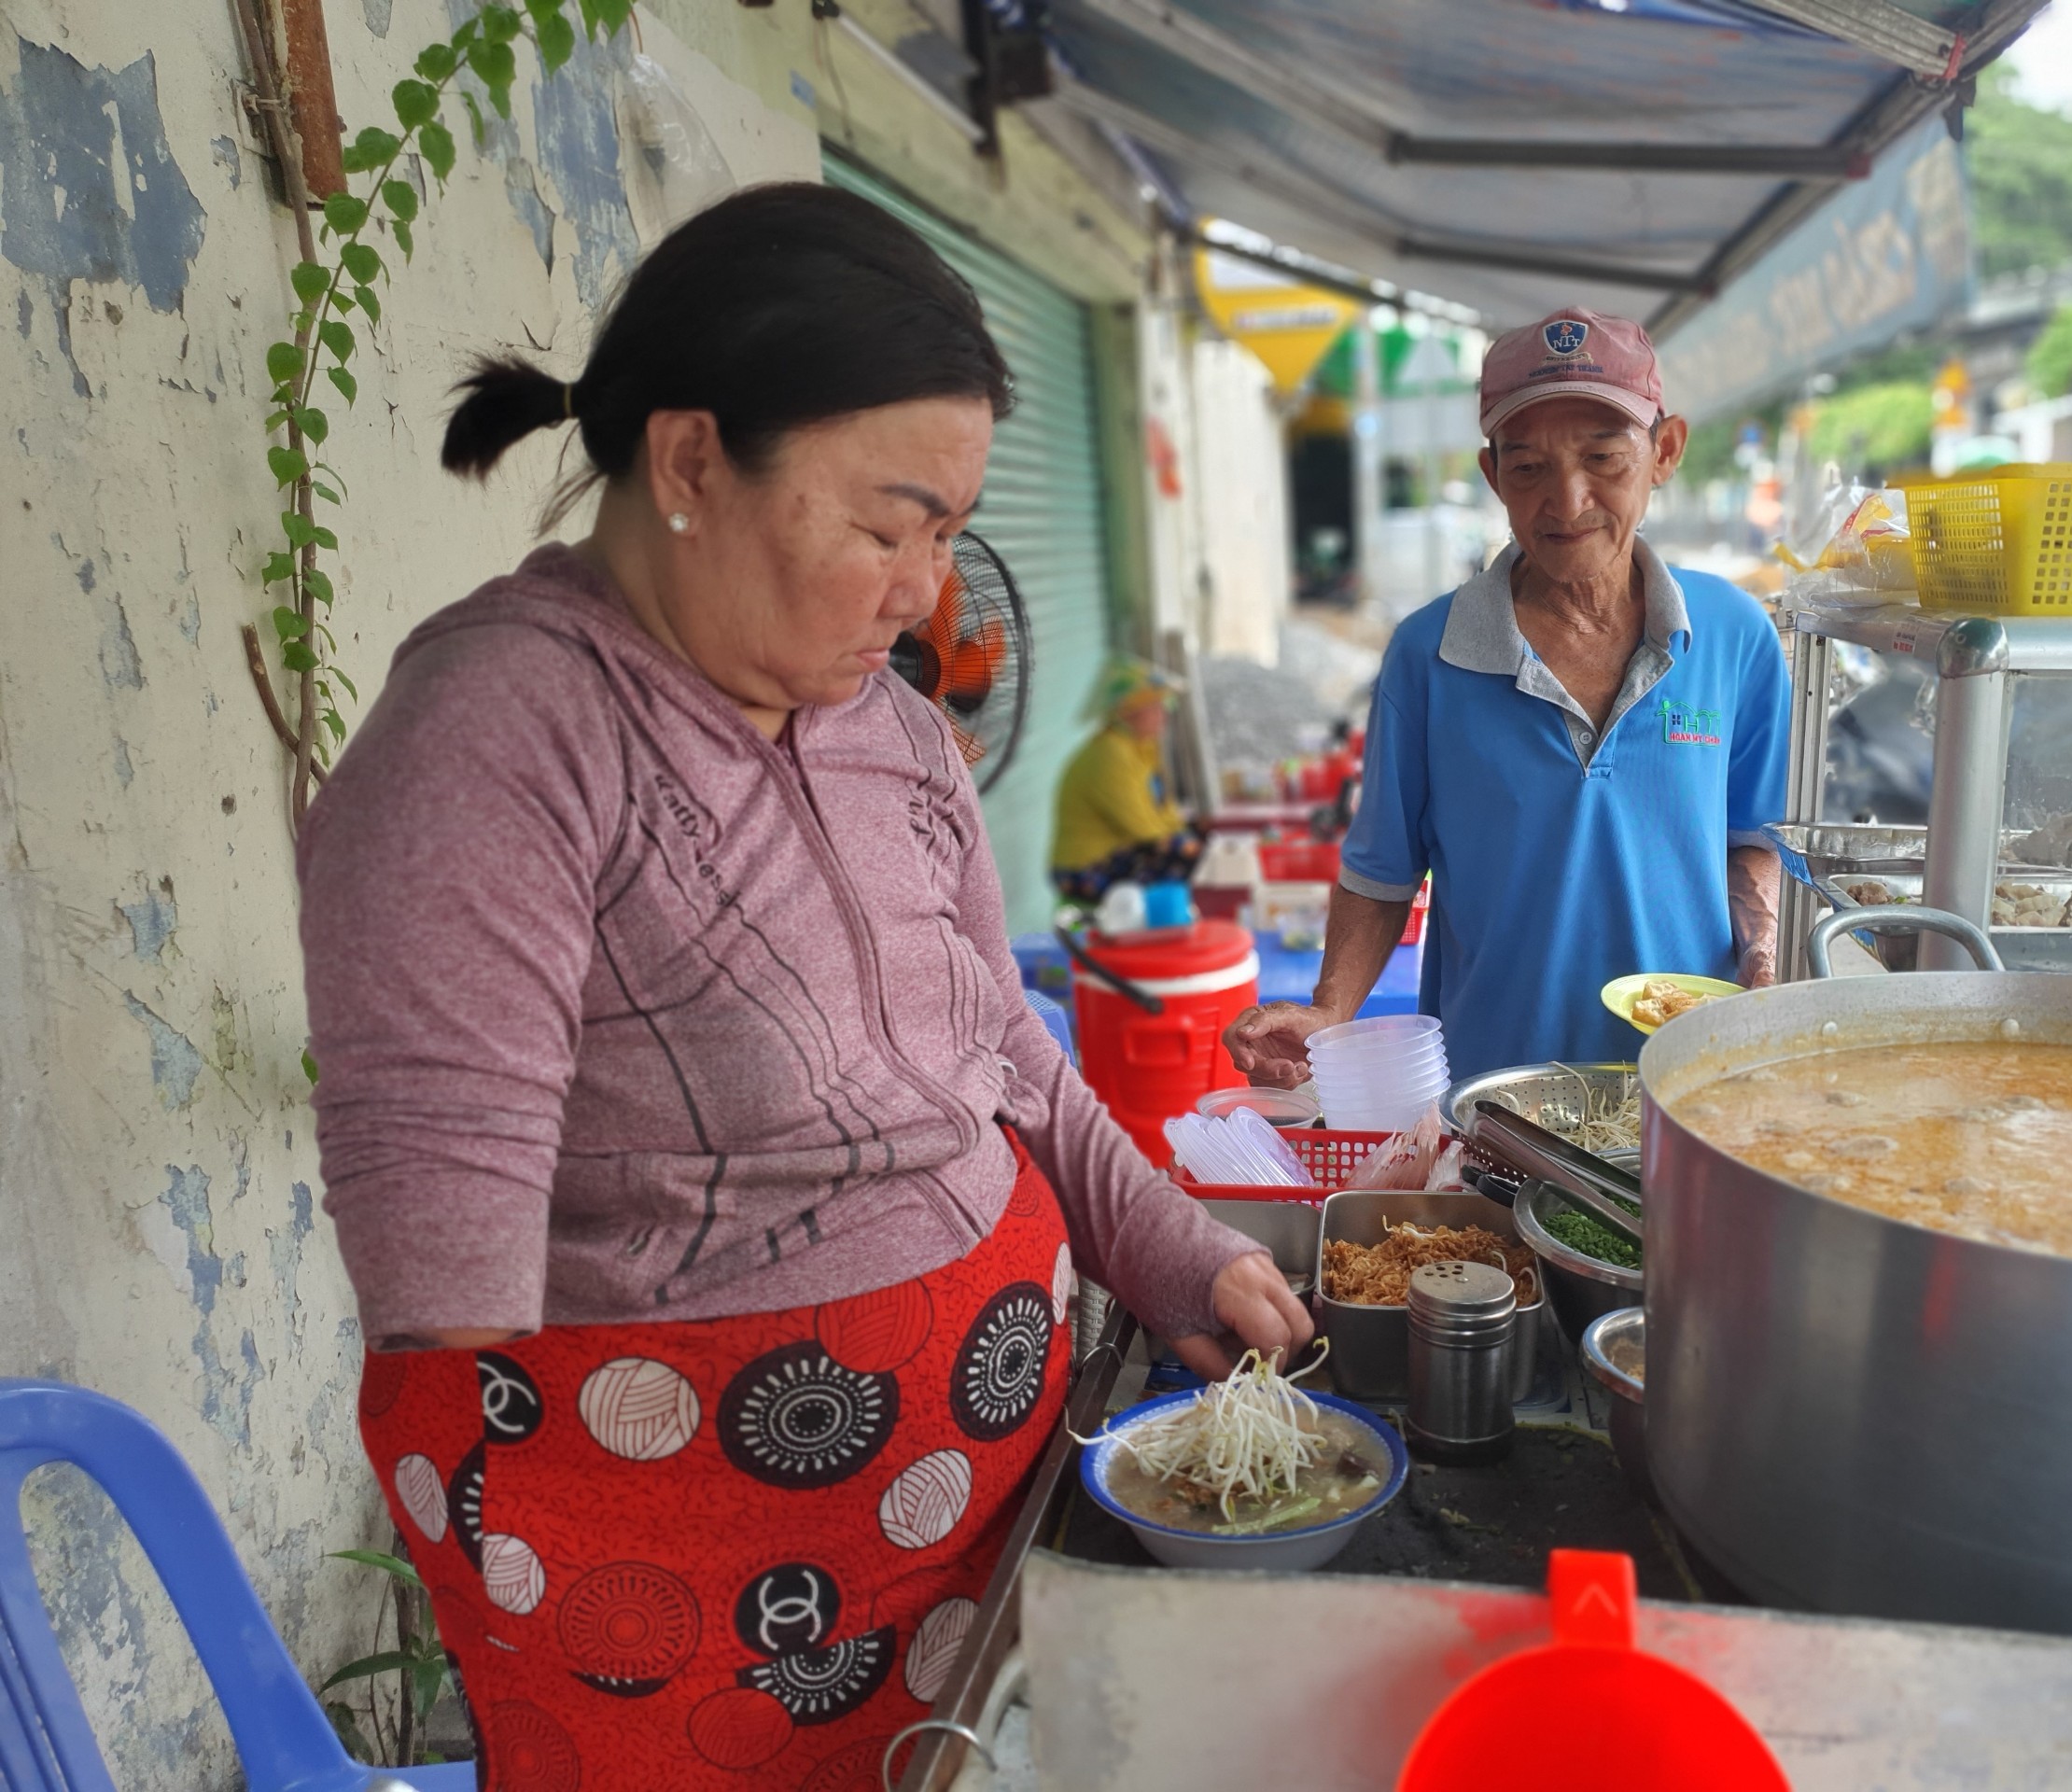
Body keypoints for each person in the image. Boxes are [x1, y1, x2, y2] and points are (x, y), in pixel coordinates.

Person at [298, 184, 1308, 1788]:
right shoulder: (499, 740)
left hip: (996, 1510)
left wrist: (1170, 1248)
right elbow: (453, 1325)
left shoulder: (894, 731)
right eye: (886, 525)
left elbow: (1007, 1057)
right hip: (702, 1613)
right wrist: (655, 1569)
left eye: (951, 534)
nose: (924, 595)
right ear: (692, 462)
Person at [1227, 306, 1791, 1085]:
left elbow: (1753, 834)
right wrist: (1330, 1012)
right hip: (1498, 1094)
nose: (1566, 502)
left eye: (1603, 457)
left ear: (1665, 452)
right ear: (1493, 476)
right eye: (1528, 468)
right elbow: (1382, 870)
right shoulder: (1428, 655)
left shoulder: (1735, 635)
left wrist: (1762, 947)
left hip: (1693, 1081)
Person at [1049, 658, 1203, 903]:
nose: (1164, 713)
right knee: (1187, 853)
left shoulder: (1139, 746)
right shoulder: (1110, 754)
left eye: (1165, 704)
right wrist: (1186, 841)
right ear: (1128, 710)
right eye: (1155, 705)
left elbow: (1162, 807)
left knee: (1200, 834)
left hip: (1120, 851)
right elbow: (1141, 827)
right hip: (1084, 867)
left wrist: (1190, 830)